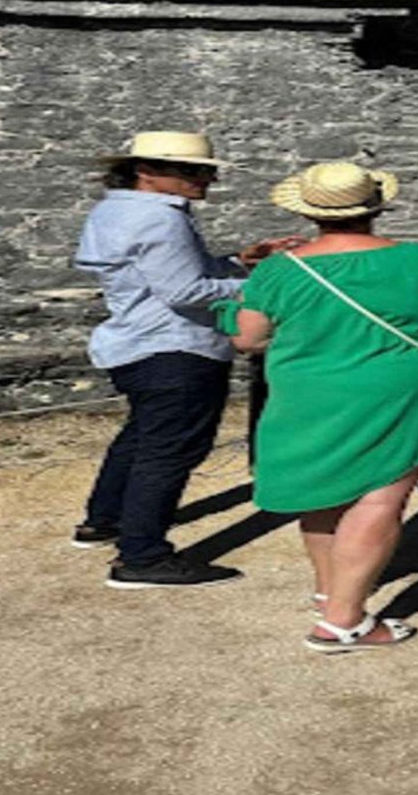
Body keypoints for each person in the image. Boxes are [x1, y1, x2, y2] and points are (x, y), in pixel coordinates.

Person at [217, 161, 418, 652]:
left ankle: (330, 593)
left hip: (306, 391)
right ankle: (343, 621)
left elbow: (248, 339)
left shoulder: (279, 268)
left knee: (321, 492)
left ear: (309, 212)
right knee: (381, 496)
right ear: (377, 208)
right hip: (396, 387)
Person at [73, 130, 302, 589]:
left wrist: (239, 260)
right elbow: (186, 291)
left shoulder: (116, 209)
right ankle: (142, 555)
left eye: (207, 171)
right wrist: (268, 283)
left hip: (138, 342)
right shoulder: (161, 219)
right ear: (147, 172)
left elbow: (169, 276)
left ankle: (105, 519)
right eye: (193, 171)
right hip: (176, 345)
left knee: (142, 437)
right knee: (171, 450)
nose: (207, 180)